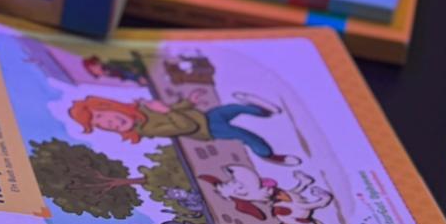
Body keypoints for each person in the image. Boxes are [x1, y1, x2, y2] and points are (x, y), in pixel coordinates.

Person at [69, 92, 300, 165]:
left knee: (233, 108)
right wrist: (165, 110)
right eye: (100, 125)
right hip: (207, 129)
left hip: (205, 116)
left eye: (102, 116)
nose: (107, 123)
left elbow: (178, 110)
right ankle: (270, 155)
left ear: (111, 106)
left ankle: (264, 111)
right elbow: (185, 126)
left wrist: (188, 102)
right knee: (244, 135)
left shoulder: (142, 109)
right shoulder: (148, 129)